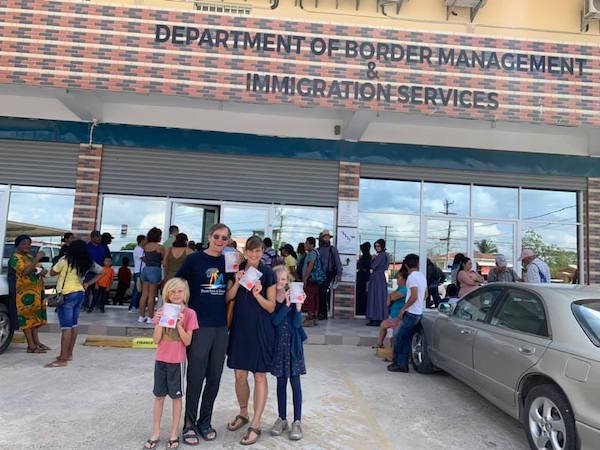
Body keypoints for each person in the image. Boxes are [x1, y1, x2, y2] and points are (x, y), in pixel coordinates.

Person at [175, 223, 231, 445]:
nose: (220, 240)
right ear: (209, 236)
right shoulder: (194, 260)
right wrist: (176, 310)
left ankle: (205, 421)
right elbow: (176, 284)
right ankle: (189, 424)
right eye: (216, 236)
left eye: (224, 238)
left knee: (215, 377)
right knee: (196, 376)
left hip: (220, 326)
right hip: (198, 326)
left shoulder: (229, 263)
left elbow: (230, 292)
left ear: (228, 240)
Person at [226, 235, 276, 446]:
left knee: (259, 376)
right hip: (239, 328)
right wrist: (237, 282)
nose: (255, 254)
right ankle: (244, 412)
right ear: (245, 251)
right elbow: (228, 298)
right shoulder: (236, 269)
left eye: (258, 251)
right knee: (239, 375)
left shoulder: (269, 273)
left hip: (261, 329)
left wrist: (258, 294)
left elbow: (271, 307)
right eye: (251, 251)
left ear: (262, 252)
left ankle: (256, 423)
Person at [144, 278, 199, 450]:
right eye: (172, 291)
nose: (176, 295)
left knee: (176, 397)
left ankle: (174, 433)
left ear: (185, 293)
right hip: (160, 359)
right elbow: (155, 339)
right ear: (167, 293)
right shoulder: (162, 311)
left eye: (180, 291)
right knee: (158, 396)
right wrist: (160, 322)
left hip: (177, 361)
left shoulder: (190, 314)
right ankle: (156, 432)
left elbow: (188, 341)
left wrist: (180, 325)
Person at [46, 240, 104, 368]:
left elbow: (52, 272)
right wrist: (88, 283)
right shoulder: (87, 261)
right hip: (80, 293)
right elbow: (102, 271)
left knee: (66, 327)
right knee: (74, 324)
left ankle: (63, 358)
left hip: (66, 294)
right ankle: (69, 354)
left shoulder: (65, 259)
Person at [269, 265, 306, 441]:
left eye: (284, 279)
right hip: (278, 346)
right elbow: (274, 321)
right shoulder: (271, 298)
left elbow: (298, 324)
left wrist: (297, 307)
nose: (280, 282)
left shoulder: (292, 295)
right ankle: (282, 418)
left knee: (295, 383)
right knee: (280, 383)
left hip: (293, 346)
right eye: (277, 278)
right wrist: (286, 306)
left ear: (288, 281)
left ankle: (297, 421)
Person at [8, 234, 50, 354]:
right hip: (24, 294)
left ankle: (37, 342)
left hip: (36, 292)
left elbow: (42, 270)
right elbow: (25, 271)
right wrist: (37, 259)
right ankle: (31, 346)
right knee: (26, 319)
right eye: (23, 244)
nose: (27, 246)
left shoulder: (29, 257)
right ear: (18, 245)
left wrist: (41, 270)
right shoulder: (15, 258)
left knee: (35, 319)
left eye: (28, 244)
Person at [388, 254, 427, 373]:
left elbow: (414, 296)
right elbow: (425, 295)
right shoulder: (422, 276)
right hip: (418, 312)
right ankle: (402, 364)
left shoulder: (412, 278)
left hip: (411, 313)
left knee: (399, 338)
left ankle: (400, 364)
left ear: (405, 264)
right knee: (405, 338)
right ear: (418, 264)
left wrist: (403, 308)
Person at [373, 270, 407, 349]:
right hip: (394, 314)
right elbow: (388, 301)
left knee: (385, 326)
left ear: (404, 280)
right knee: (386, 328)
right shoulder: (399, 289)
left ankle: (385, 347)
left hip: (398, 316)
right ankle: (381, 344)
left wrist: (390, 296)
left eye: (398, 278)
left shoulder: (404, 290)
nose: (397, 279)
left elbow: (391, 298)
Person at [138, 227, 166, 324]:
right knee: (152, 296)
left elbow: (144, 258)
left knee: (144, 294)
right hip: (155, 270)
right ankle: (150, 317)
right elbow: (164, 260)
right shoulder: (160, 247)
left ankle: (141, 316)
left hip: (145, 270)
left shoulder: (146, 246)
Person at [317, 230, 342, 321]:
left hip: (328, 273)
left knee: (323, 292)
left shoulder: (333, 249)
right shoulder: (318, 250)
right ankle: (320, 312)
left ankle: (323, 313)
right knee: (319, 292)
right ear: (322, 238)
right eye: (325, 237)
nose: (326, 239)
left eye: (328, 237)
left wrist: (339, 274)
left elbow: (338, 262)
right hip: (319, 274)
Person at [366, 239, 389, 327]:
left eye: (378, 246)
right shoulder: (384, 254)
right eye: (375, 246)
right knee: (379, 297)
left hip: (377, 277)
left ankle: (376, 318)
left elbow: (373, 265)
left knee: (376, 297)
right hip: (379, 277)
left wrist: (372, 259)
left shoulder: (381, 255)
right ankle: (379, 317)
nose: (377, 248)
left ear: (382, 246)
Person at [86, 230, 109, 310]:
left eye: (100, 237)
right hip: (89, 272)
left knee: (97, 290)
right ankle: (85, 305)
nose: (99, 238)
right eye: (97, 237)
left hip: (100, 272)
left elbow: (106, 258)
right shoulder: (87, 247)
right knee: (86, 289)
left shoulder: (102, 247)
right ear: (92, 238)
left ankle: (95, 305)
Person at [300, 237, 321, 327]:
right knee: (314, 297)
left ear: (311, 245)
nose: (305, 245)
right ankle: (315, 318)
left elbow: (310, 266)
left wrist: (305, 278)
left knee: (310, 298)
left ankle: (310, 318)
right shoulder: (314, 253)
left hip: (310, 279)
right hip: (313, 279)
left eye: (307, 243)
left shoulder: (312, 253)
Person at [130, 234, 146, 313]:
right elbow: (144, 259)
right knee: (137, 290)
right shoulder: (138, 249)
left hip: (141, 272)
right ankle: (133, 306)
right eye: (145, 239)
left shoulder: (142, 249)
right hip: (138, 272)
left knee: (140, 290)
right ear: (142, 241)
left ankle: (136, 306)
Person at [355, 242, 371, 317]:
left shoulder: (367, 257)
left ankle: (361, 310)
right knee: (361, 294)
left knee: (362, 294)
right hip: (363, 277)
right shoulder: (366, 257)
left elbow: (361, 266)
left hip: (363, 277)